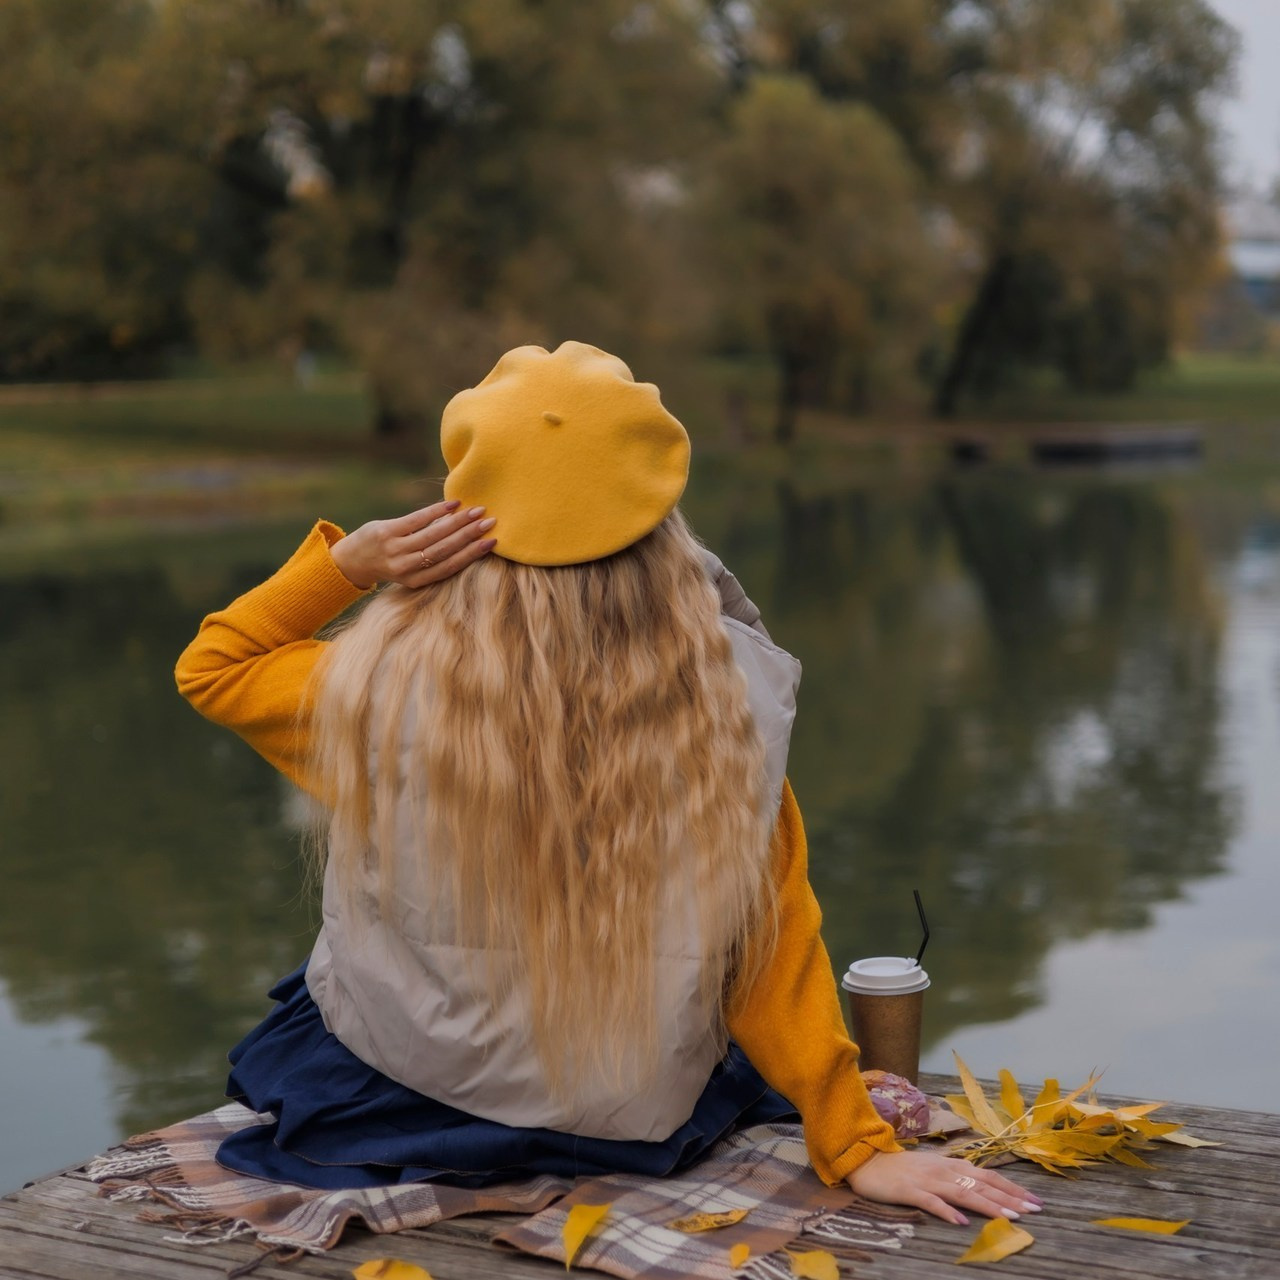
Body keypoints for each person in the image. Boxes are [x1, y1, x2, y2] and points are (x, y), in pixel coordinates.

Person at [175, 341, 1038, 1226]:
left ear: (459, 518)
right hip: (630, 1119)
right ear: (661, 518)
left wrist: (348, 566)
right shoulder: (730, 707)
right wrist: (853, 1142)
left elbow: (214, 667)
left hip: (403, 1103)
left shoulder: (372, 688)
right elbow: (771, 943)